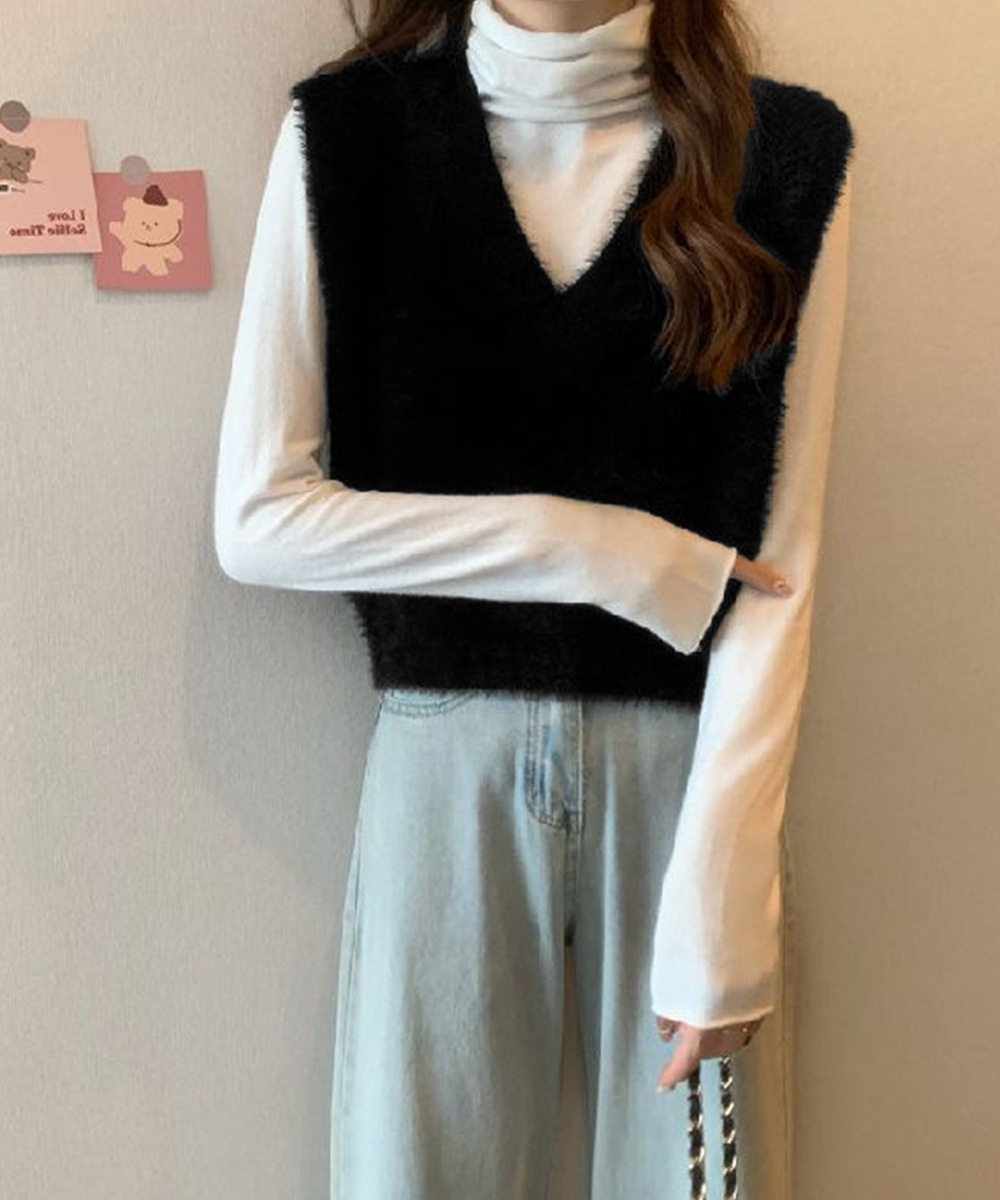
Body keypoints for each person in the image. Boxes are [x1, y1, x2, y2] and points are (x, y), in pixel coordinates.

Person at [213, 0, 853, 1194]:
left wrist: (726, 890)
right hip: (441, 771)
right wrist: (584, 547)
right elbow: (259, 520)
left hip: (691, 778)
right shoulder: (348, 136)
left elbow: (783, 562)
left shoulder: (784, 154)